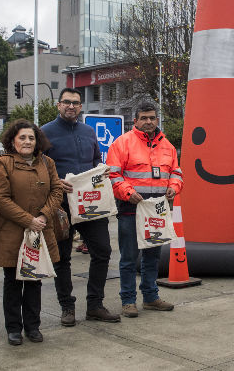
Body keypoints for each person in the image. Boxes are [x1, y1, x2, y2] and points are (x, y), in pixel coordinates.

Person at [41, 88, 120, 325]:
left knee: (103, 251)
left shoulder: (88, 132)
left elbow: (96, 160)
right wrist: (55, 182)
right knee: (62, 257)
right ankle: (67, 307)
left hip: (90, 204)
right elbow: (37, 167)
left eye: (76, 103)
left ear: (81, 107)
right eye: (66, 102)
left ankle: (95, 305)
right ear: (58, 105)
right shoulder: (45, 132)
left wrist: (100, 170)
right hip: (61, 206)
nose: (71, 106)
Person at [0, 119, 64, 345]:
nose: (27, 141)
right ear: (13, 140)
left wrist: (42, 216)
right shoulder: (3, 163)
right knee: (12, 282)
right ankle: (13, 328)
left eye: (31, 137)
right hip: (12, 232)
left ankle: (33, 327)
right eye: (22, 137)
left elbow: (57, 190)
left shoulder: (47, 163)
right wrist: (28, 220)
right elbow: (0, 198)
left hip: (40, 230)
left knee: (34, 280)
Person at [108, 103, 183, 318]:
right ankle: (128, 300)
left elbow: (176, 172)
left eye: (152, 118)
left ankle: (150, 297)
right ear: (136, 121)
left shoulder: (167, 146)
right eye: (144, 118)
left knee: (152, 257)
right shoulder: (122, 143)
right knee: (129, 258)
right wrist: (127, 192)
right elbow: (113, 175)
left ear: (157, 120)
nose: (149, 121)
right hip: (131, 208)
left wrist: (174, 187)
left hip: (157, 210)